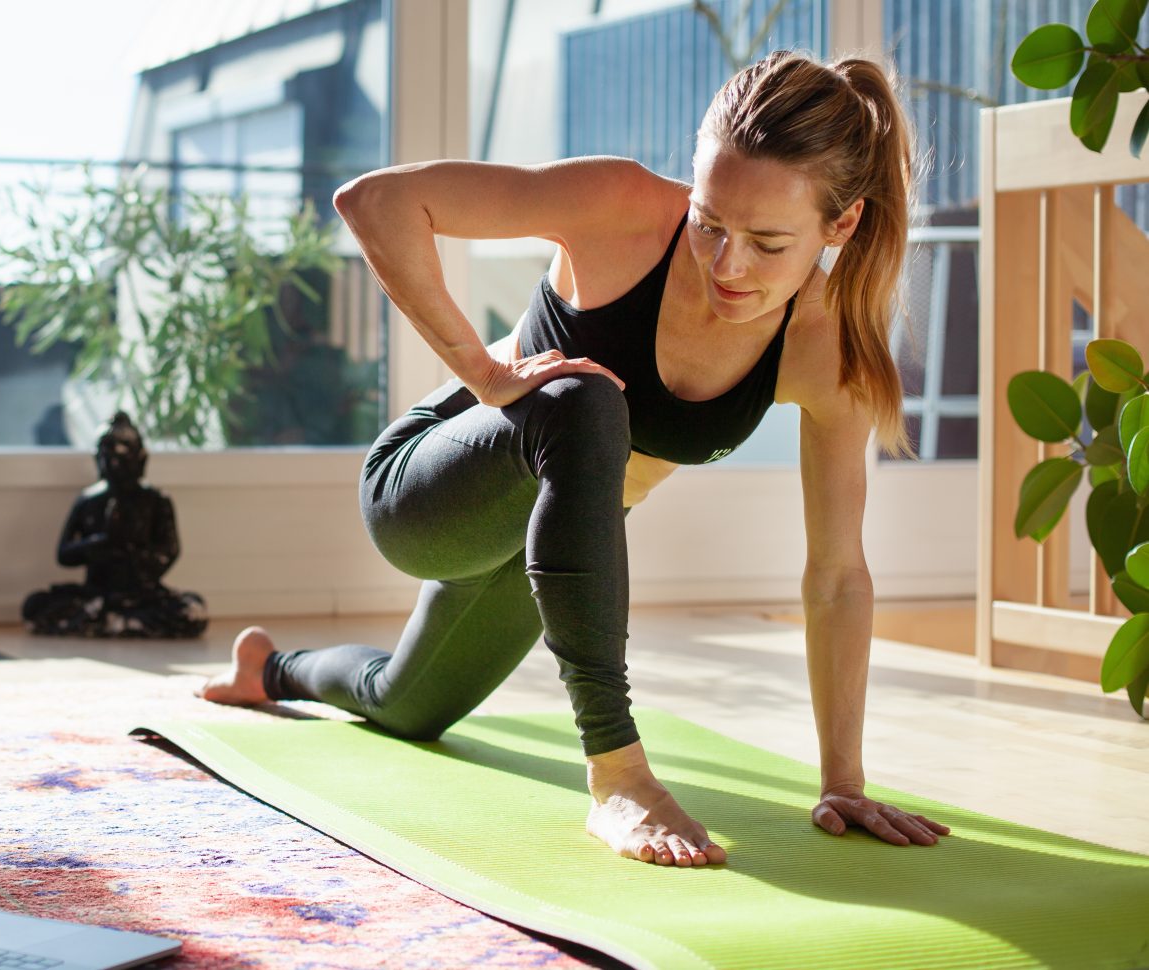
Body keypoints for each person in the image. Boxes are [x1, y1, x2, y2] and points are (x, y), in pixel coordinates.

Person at [198, 50, 952, 867]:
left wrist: (842, 777)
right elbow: (378, 201)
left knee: (405, 706)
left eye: (768, 243)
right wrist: (483, 373)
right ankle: (618, 775)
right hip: (426, 493)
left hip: (556, 549)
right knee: (592, 401)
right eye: (709, 223)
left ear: (839, 226)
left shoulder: (828, 351)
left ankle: (267, 670)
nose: (727, 265)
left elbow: (838, 573)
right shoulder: (621, 207)